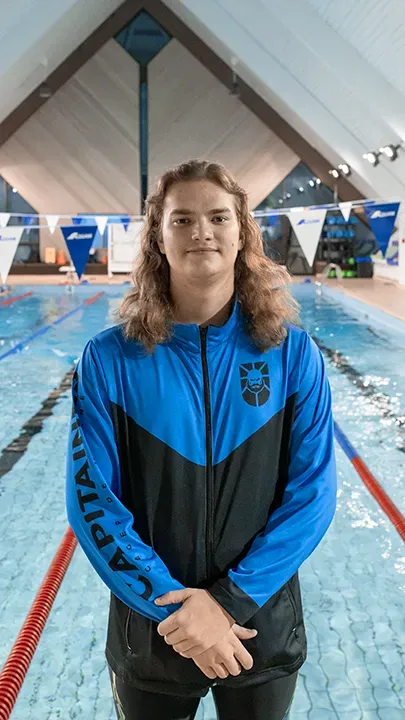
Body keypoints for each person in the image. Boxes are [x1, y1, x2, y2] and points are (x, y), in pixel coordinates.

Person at [66, 159, 337, 720]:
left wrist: (227, 603)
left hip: (256, 626)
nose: (202, 232)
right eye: (182, 219)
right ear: (158, 239)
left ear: (242, 232)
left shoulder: (291, 356)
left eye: (217, 217)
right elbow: (92, 501)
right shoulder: (110, 360)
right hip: (156, 632)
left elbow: (312, 495)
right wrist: (179, 610)